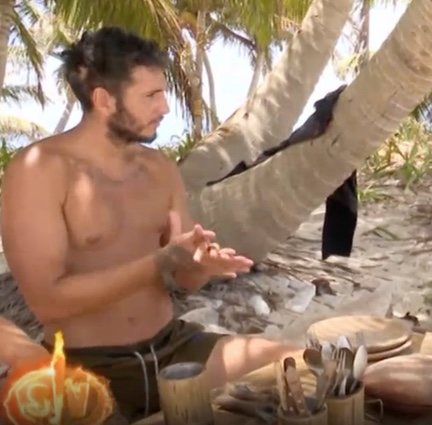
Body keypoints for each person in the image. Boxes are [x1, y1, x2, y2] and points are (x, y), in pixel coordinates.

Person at [0, 26, 300, 422]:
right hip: (85, 364)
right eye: (151, 96)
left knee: (298, 366)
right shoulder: (39, 171)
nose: (164, 108)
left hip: (173, 348)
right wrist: (158, 262)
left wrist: (198, 266)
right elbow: (48, 299)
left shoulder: (158, 169)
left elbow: (184, 274)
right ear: (104, 100)